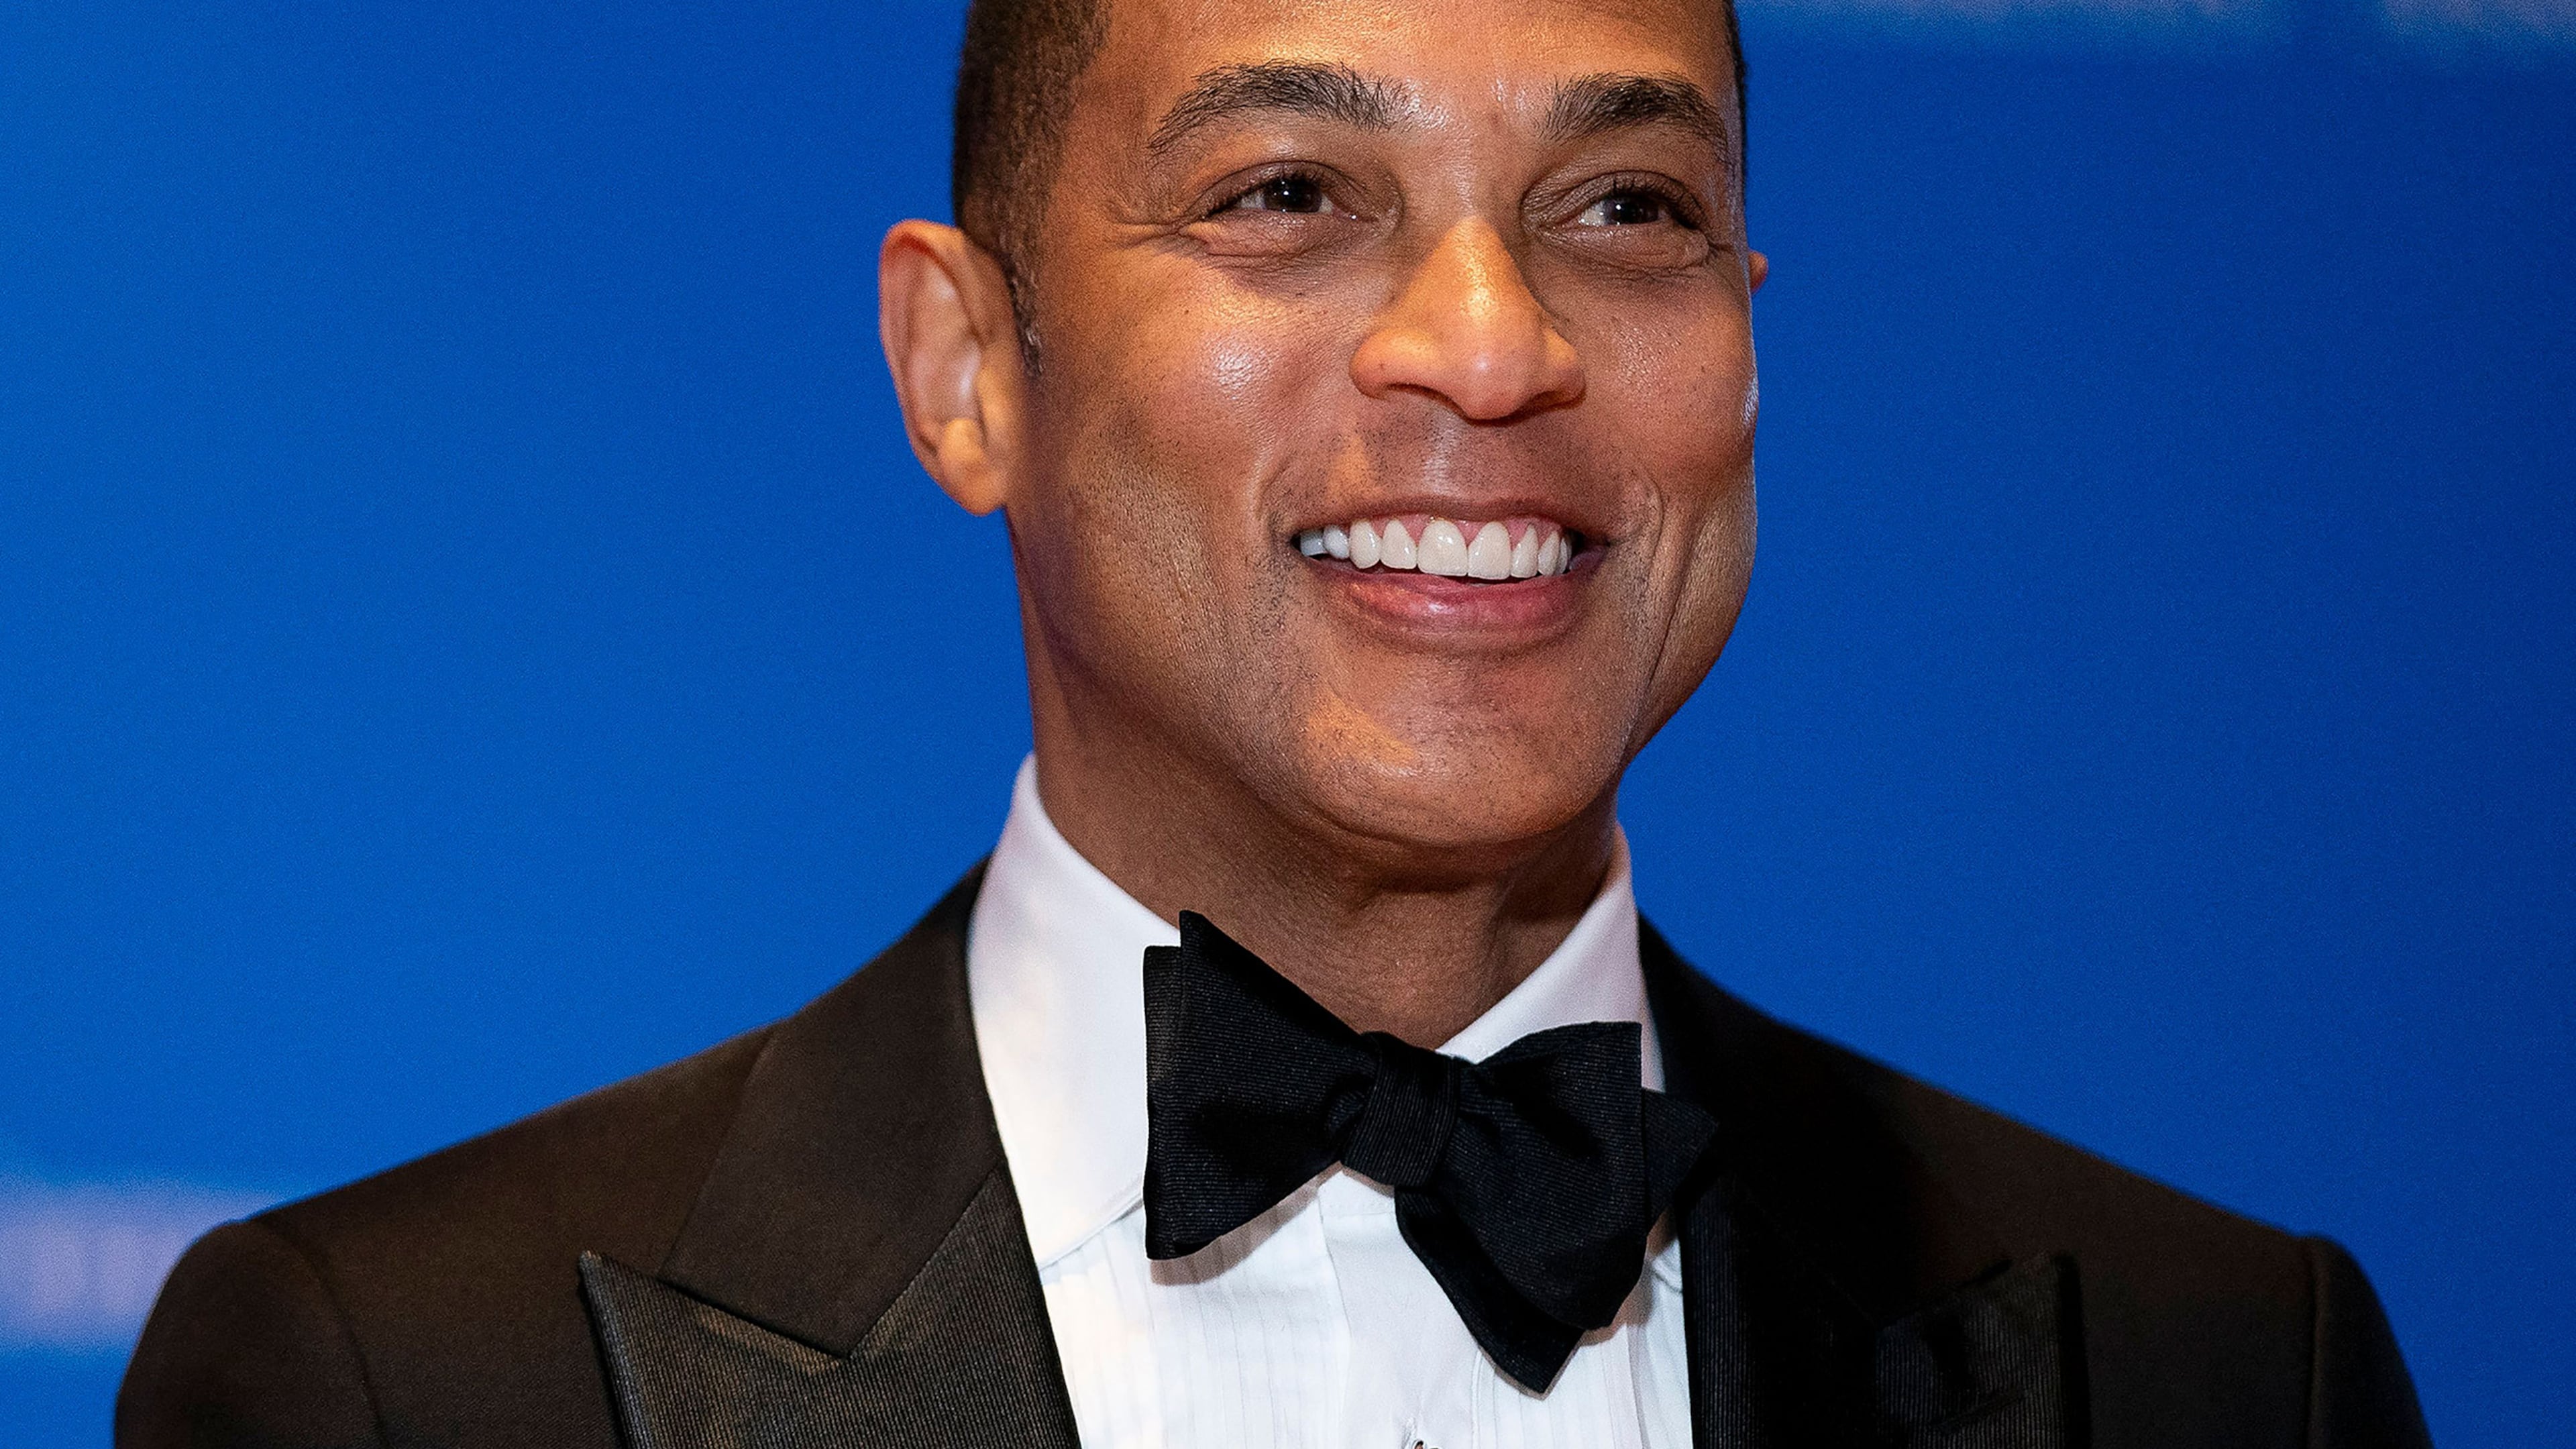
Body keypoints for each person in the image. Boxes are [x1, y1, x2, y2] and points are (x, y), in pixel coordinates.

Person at [116, 0, 2434, 1444]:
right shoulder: (407, 1382)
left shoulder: (2230, 1374)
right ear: (967, 369)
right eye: (1292, 193)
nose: (1492, 344)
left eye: (1626, 207)